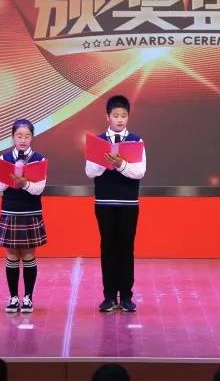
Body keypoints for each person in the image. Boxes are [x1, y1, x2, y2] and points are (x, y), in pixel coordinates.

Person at [86, 94, 146, 312]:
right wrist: (105, 161)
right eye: (115, 115)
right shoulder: (98, 141)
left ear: (128, 117)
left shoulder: (136, 141)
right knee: (108, 248)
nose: (120, 119)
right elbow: (89, 171)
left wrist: (121, 164)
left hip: (129, 203)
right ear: (107, 117)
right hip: (104, 202)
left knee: (126, 248)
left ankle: (127, 296)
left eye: (123, 116)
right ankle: (109, 297)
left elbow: (140, 172)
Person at [0, 119, 48, 314]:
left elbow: (39, 189)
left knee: (28, 254)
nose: (23, 140)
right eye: (19, 136)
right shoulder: (4, 158)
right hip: (10, 211)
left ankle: (28, 297)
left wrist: (24, 183)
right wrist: (10, 177)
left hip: (30, 212)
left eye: (27, 136)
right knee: (11, 255)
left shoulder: (39, 159)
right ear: (13, 137)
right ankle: (13, 297)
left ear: (32, 137)